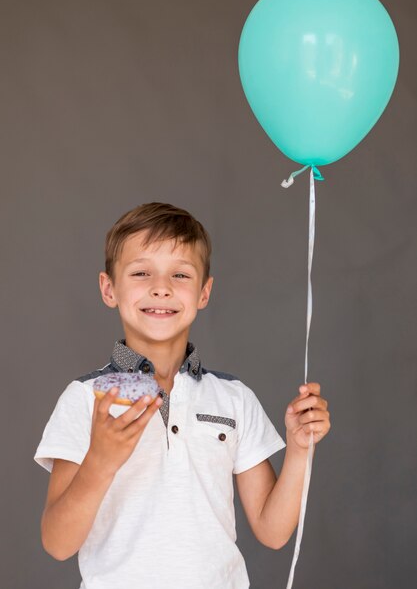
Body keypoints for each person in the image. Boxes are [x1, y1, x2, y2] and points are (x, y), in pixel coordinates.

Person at [34, 201, 331, 589]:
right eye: (141, 272)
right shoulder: (85, 398)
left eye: (180, 274)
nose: (162, 287)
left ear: (204, 292)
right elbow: (57, 544)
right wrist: (101, 461)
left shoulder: (234, 399)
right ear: (109, 288)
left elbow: (273, 532)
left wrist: (299, 447)